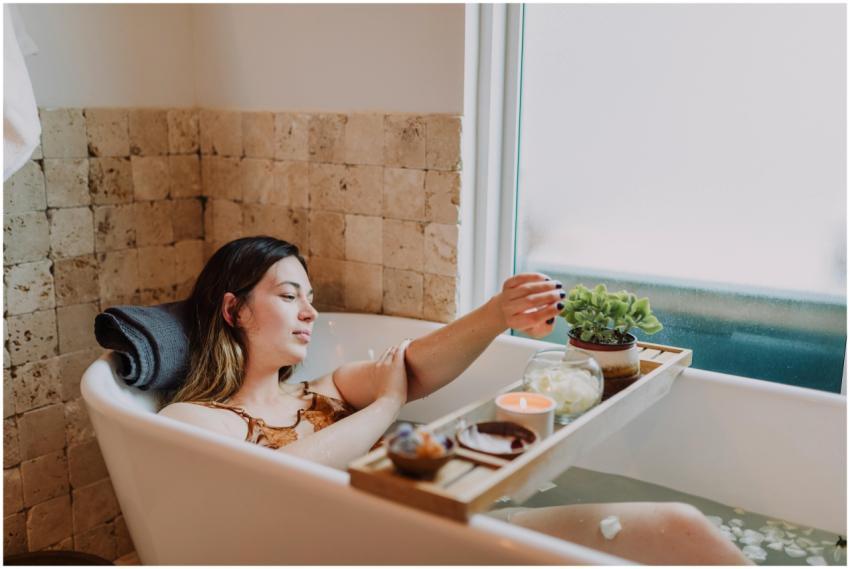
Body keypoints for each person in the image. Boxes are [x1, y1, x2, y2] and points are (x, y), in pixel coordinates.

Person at [159, 236, 750, 565]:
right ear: (233, 311)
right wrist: (385, 408)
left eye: (311, 297)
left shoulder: (325, 391)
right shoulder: (192, 421)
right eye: (290, 296)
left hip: (435, 542)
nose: (311, 312)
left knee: (678, 525)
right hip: (383, 556)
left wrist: (499, 314)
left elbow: (413, 366)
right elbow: (278, 479)